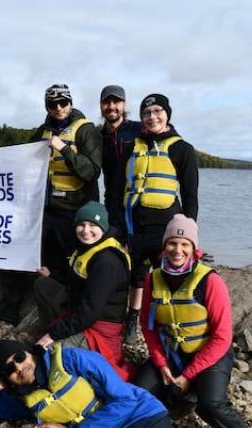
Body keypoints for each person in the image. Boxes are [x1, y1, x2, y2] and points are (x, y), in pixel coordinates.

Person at [0, 84, 102, 324]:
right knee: (20, 248)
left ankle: (68, 314)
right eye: (53, 104)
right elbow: (18, 157)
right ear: (47, 107)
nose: (59, 108)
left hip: (73, 211)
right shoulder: (43, 131)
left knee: (70, 262)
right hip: (43, 209)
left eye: (63, 103)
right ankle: (10, 306)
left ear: (70, 103)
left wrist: (63, 148)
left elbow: (91, 172)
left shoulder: (86, 131)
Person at [135, 215, 252, 428]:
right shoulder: (152, 279)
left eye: (185, 244)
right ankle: (176, 406)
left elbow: (223, 337)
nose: (178, 250)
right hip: (172, 354)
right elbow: (147, 325)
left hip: (211, 354)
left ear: (194, 248)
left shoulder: (211, 281)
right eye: (172, 243)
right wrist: (161, 364)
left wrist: (188, 376)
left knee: (211, 404)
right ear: (164, 246)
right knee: (140, 393)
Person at [0, 339, 178, 428]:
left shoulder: (72, 359)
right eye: (9, 369)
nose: (19, 368)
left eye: (19, 357)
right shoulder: (23, 401)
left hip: (142, 420)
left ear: (30, 353)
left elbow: (126, 399)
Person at [110, 93, 199, 344]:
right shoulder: (131, 147)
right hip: (134, 224)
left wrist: (189, 232)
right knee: (136, 276)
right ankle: (132, 319)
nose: (152, 117)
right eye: (147, 114)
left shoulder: (182, 149)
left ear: (167, 114)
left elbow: (190, 196)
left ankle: (167, 324)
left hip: (167, 227)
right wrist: (116, 224)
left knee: (167, 276)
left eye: (157, 111)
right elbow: (116, 190)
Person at [33, 201, 134, 380]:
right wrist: (52, 275)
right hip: (80, 311)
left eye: (93, 225)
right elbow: (73, 276)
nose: (86, 231)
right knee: (44, 285)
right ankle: (50, 333)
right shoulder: (88, 246)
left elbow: (90, 312)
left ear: (103, 226)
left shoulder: (107, 262)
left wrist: (55, 333)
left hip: (99, 326)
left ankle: (54, 338)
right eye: (81, 224)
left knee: (45, 356)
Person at [98, 85, 142, 343]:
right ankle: (111, 310)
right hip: (112, 203)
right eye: (107, 103)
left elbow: (170, 138)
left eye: (117, 102)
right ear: (102, 106)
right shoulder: (98, 134)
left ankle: (133, 317)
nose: (112, 107)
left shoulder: (138, 129)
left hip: (138, 204)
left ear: (124, 104)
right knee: (113, 256)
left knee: (138, 265)